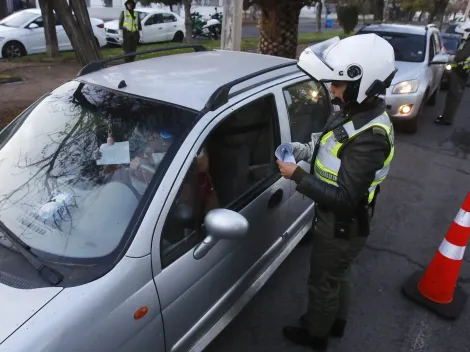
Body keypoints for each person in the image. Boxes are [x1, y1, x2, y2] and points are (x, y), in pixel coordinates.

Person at [276, 34, 397, 351]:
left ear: (362, 83)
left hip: (341, 223)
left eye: (339, 84)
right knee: (339, 275)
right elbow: (328, 144)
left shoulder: (370, 136)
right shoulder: (355, 112)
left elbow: (344, 199)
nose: (332, 89)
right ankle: (336, 322)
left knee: (322, 281)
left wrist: (297, 175)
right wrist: (302, 150)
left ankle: (316, 335)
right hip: (344, 223)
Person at [435, 22, 470, 126]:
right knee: (452, 96)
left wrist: (451, 58)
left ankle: (447, 119)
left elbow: (461, 56)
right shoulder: (467, 41)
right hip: (460, 71)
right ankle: (446, 116)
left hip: (460, 71)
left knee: (454, 97)